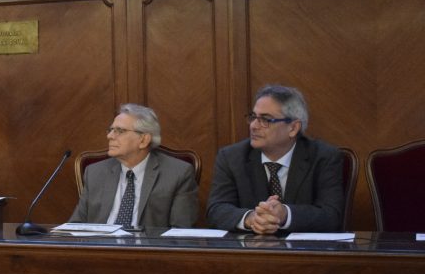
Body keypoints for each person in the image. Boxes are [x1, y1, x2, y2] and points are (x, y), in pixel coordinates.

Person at [206, 85, 344, 234]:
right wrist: (252, 218)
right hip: (249, 252)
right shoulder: (231, 157)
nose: (253, 126)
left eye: (265, 119)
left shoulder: (324, 157)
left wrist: (284, 215)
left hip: (304, 254)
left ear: (293, 128)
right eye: (253, 117)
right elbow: (216, 209)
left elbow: (331, 216)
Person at [69, 104, 198, 227]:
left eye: (119, 131)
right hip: (101, 247)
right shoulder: (95, 172)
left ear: (143, 140)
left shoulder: (178, 174)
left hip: (147, 248)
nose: (109, 136)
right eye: (111, 130)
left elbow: (181, 233)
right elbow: (76, 226)